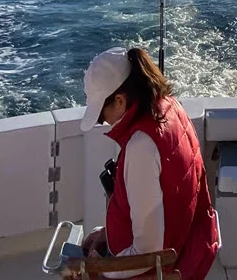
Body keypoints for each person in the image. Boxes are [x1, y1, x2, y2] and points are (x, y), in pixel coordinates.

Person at [79, 47, 220, 280]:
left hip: (159, 271)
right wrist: (106, 235)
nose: (105, 123)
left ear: (120, 100)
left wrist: (99, 267)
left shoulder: (141, 147)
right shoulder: (171, 106)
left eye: (102, 116)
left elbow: (148, 254)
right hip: (190, 250)